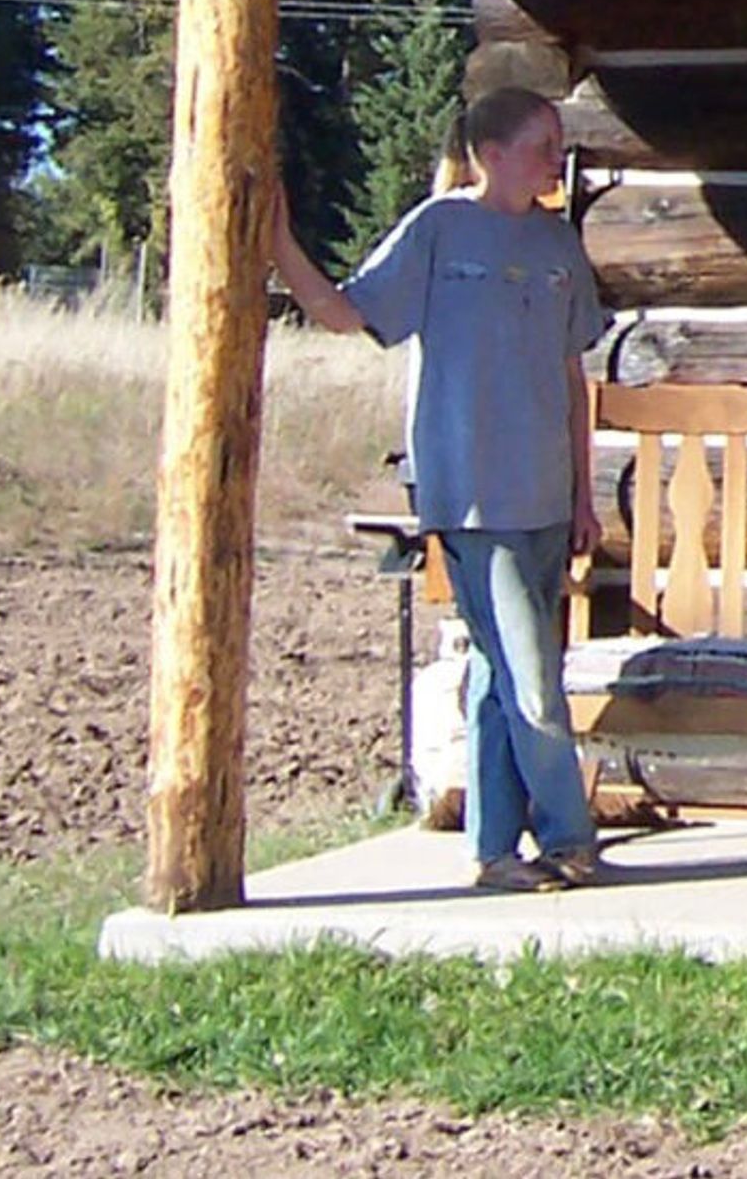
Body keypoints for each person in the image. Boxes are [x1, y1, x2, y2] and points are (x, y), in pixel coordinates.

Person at [270, 85, 608, 894]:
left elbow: (574, 378)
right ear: (492, 155)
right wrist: (277, 246)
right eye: (541, 145)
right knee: (532, 680)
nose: (555, 159)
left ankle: (493, 853)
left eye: (558, 144)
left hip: (547, 500)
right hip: (473, 500)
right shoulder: (438, 229)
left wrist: (585, 495)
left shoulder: (561, 246)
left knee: (500, 672)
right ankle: (569, 839)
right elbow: (349, 313)